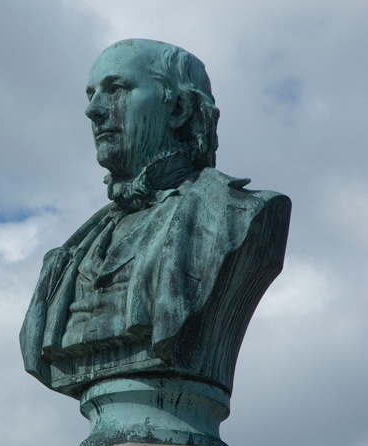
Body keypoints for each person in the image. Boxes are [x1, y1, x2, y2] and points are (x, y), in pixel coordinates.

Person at [19, 39, 291, 400]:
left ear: (177, 108)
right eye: (91, 95)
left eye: (116, 89)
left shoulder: (240, 214)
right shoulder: (74, 250)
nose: (94, 110)